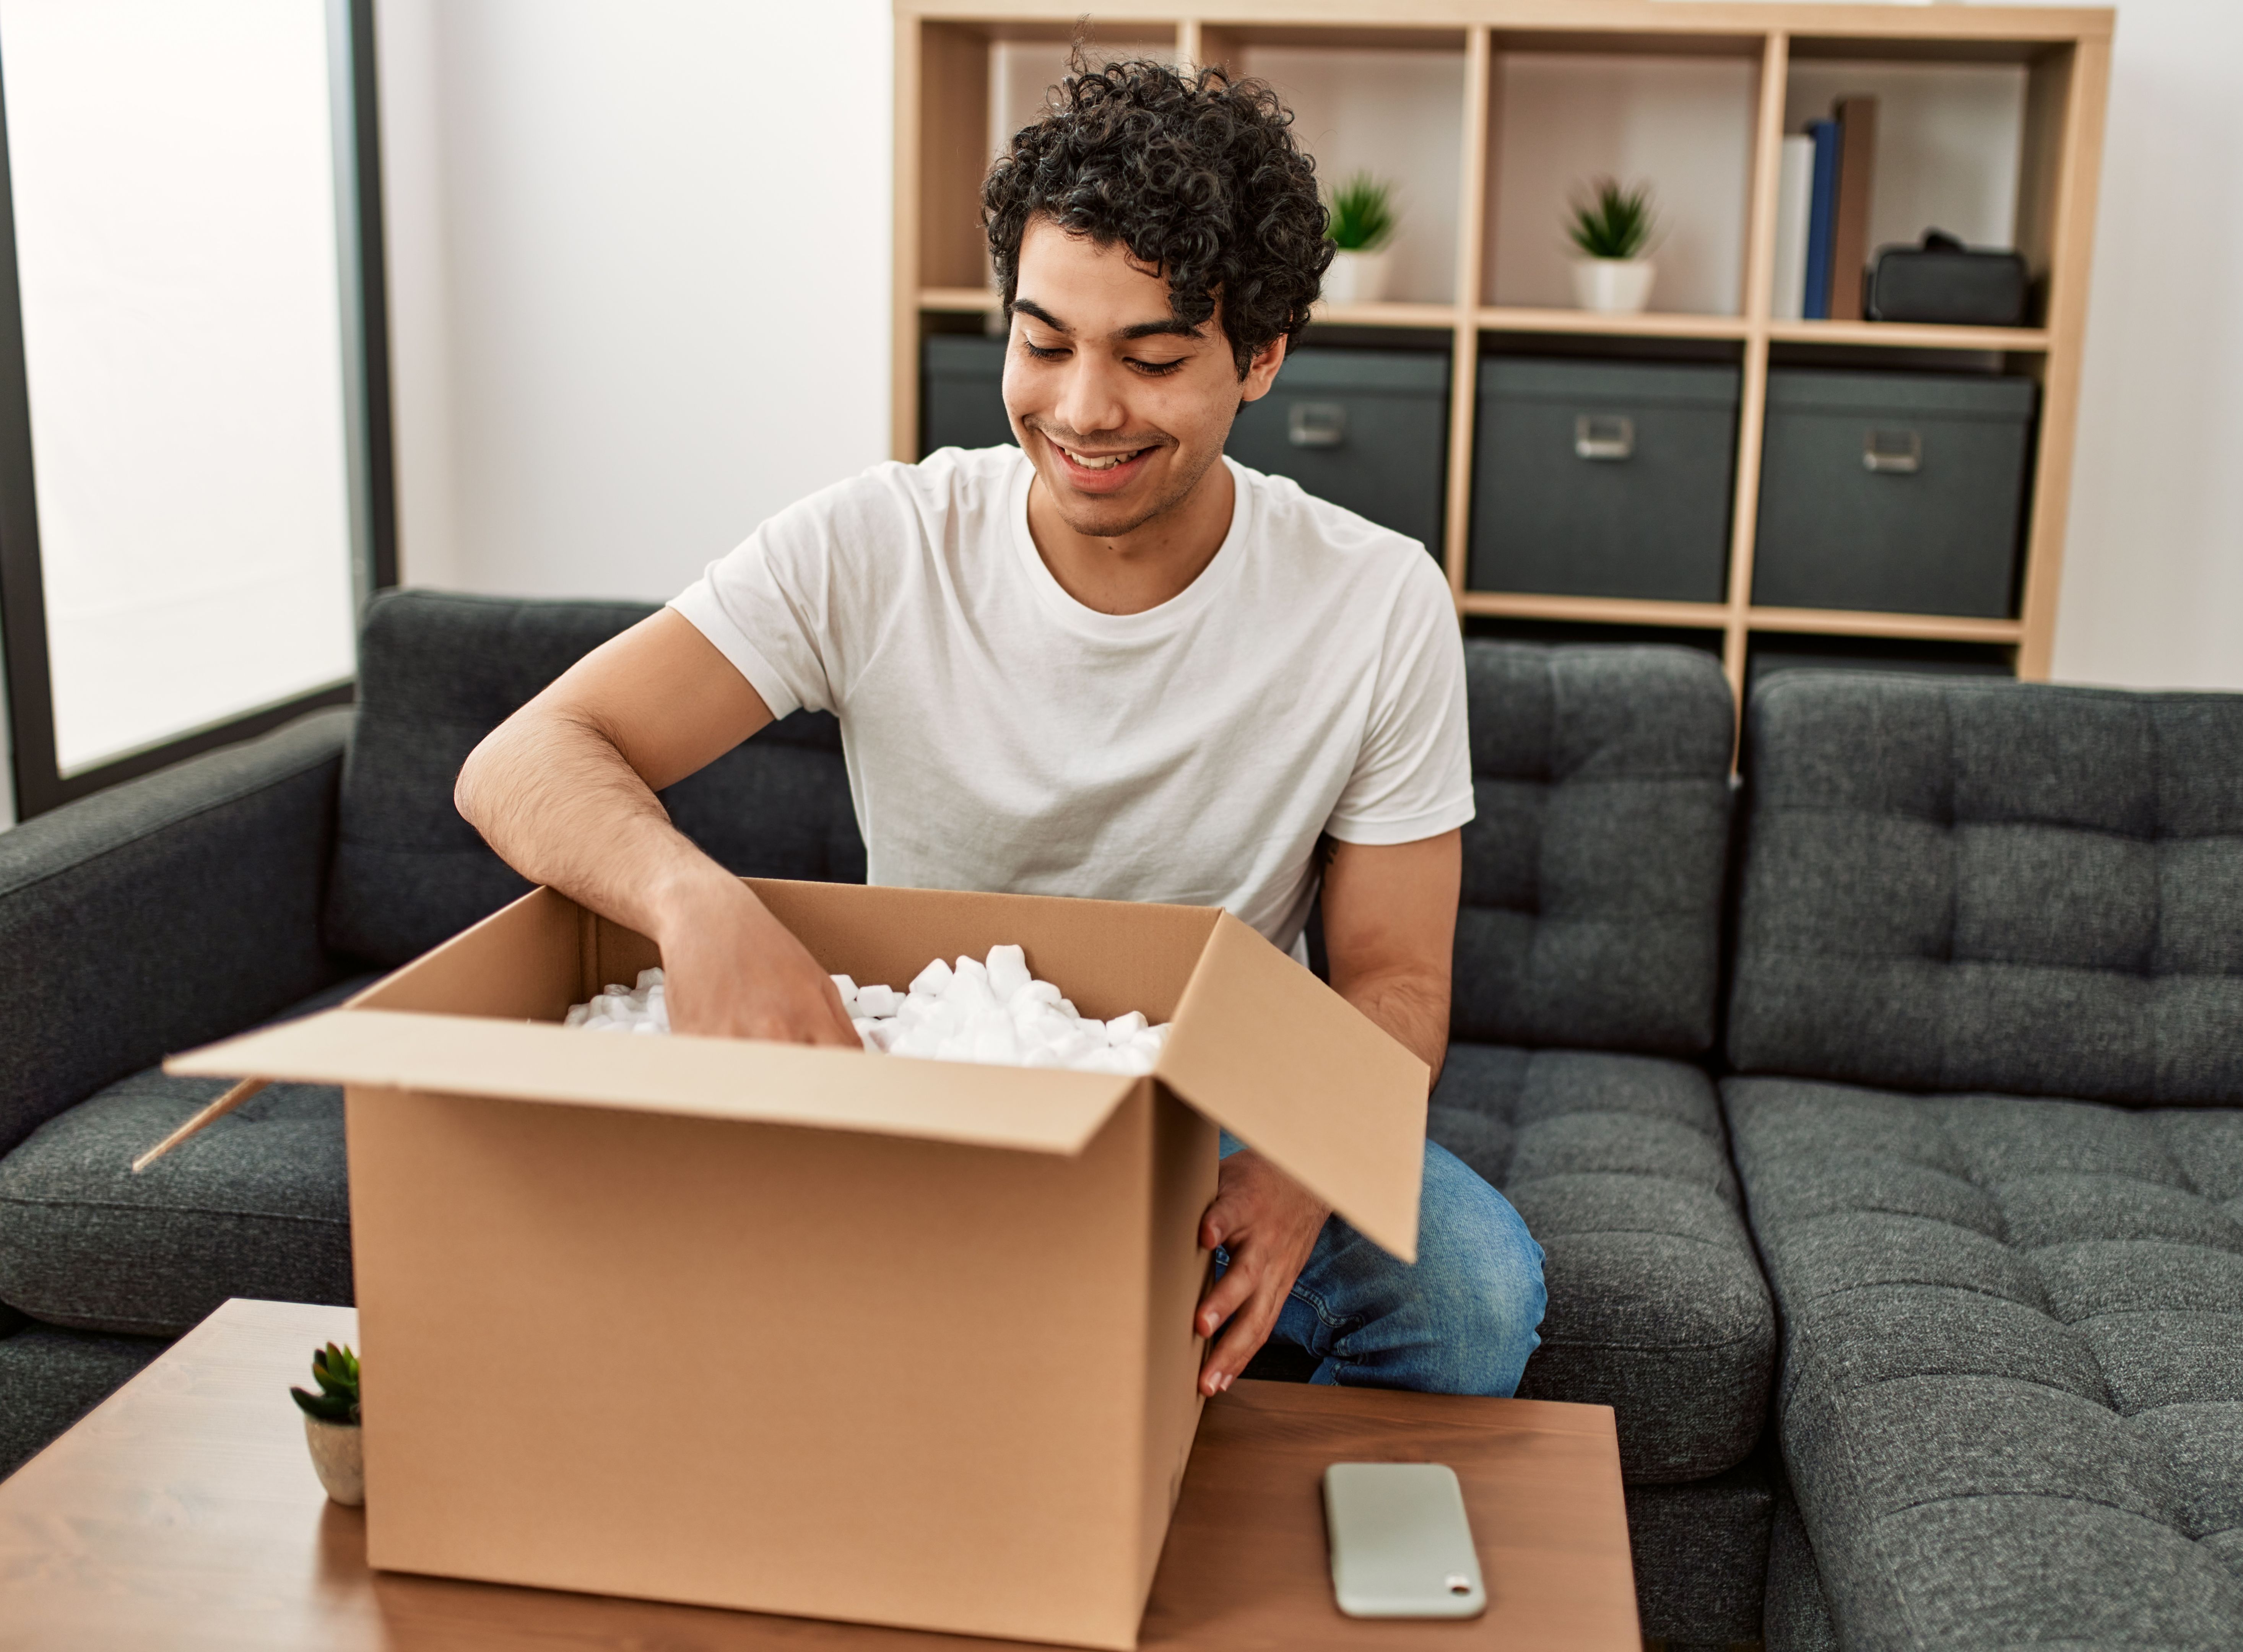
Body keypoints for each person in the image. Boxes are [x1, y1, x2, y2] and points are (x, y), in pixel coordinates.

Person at [454, 59, 1544, 1400]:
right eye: (1044, 343)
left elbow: (1396, 983)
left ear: (1261, 355)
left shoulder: (1376, 600)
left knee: (1476, 1300)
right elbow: (524, 759)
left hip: (1204, 1107)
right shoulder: (878, 541)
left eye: (1151, 357)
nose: (1084, 410)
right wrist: (696, 905)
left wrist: (1309, 1163)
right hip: (917, 1092)